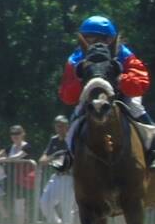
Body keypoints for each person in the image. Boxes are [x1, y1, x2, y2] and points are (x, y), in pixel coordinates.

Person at [55, 15, 155, 171]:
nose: (92, 44)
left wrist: (119, 77)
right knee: (76, 117)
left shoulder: (124, 54)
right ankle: (68, 156)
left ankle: (152, 150)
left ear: (109, 40)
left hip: (122, 93)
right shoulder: (75, 59)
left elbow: (141, 82)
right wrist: (81, 81)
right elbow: (66, 95)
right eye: (88, 39)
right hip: (91, 93)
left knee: (136, 108)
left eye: (96, 39)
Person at [38, 116, 74, 224]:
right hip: (57, 176)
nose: (60, 128)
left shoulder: (71, 139)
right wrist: (51, 157)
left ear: (67, 127)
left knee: (67, 208)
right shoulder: (54, 140)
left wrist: (52, 158)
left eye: (62, 125)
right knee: (45, 202)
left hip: (70, 177)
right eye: (58, 125)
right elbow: (43, 158)